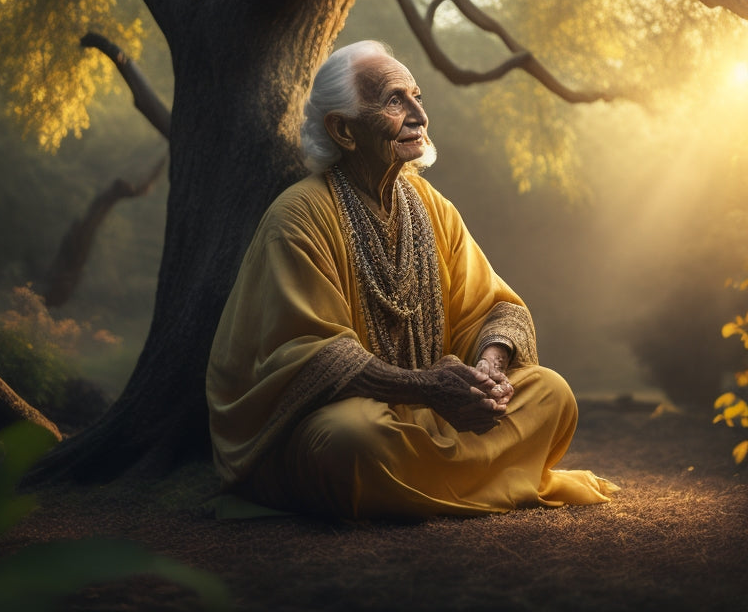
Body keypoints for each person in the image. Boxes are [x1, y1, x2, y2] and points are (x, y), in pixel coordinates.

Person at [206, 40, 617, 519]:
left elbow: (494, 308)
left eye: (417, 96)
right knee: (351, 442)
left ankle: (431, 485)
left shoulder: (430, 205)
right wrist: (423, 387)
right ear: (342, 129)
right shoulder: (298, 216)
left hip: (431, 417)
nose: (419, 114)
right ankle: (486, 479)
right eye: (395, 101)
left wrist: (489, 366)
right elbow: (308, 357)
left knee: (552, 394)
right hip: (349, 416)